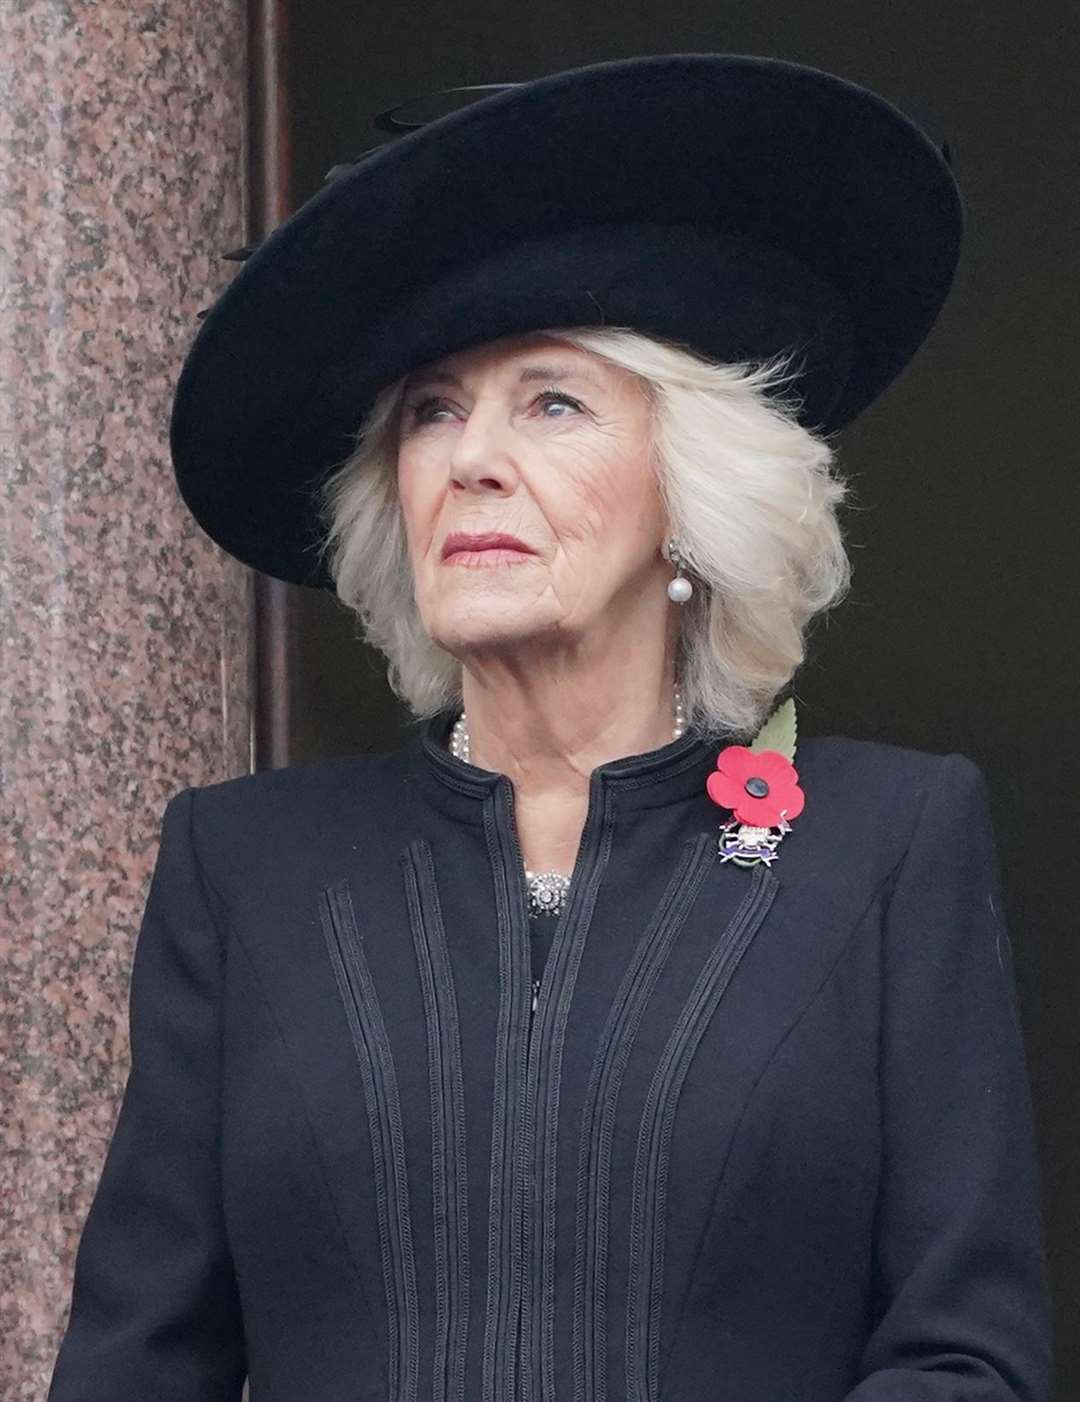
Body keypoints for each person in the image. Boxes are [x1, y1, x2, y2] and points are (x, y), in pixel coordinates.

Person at [48, 53, 1054, 1402]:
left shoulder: (889, 846)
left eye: (553, 399)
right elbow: (134, 1366)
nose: (471, 457)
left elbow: (966, 1353)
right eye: (431, 411)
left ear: (688, 489)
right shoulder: (248, 869)